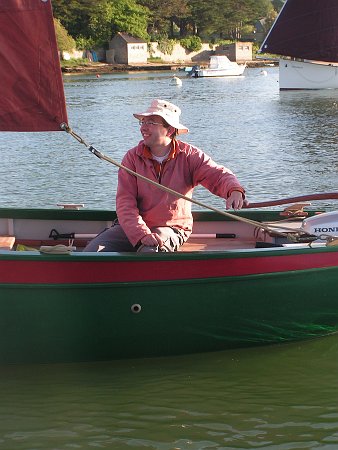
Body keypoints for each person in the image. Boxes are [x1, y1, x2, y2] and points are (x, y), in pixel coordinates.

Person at [84, 99, 246, 253]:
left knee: (150, 251)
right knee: (91, 254)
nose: (143, 128)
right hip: (133, 228)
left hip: (172, 228)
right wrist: (142, 234)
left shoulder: (190, 155)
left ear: (169, 130)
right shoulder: (132, 158)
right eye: (143, 122)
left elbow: (217, 175)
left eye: (151, 123)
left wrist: (234, 190)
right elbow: (125, 203)